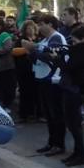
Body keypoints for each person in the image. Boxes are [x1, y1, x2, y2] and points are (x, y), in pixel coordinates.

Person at [24, 15, 67, 156]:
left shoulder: (56, 38)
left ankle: (59, 144)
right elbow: (35, 56)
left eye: (42, 24)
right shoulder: (43, 40)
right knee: (49, 113)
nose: (39, 27)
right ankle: (51, 142)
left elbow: (51, 56)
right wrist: (31, 51)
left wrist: (34, 50)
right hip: (42, 78)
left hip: (53, 79)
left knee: (55, 113)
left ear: (50, 24)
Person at [56, 25, 84, 167]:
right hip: (72, 88)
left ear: (83, 39)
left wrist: (58, 60)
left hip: (75, 90)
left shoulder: (83, 53)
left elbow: (70, 68)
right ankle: (77, 152)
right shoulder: (79, 51)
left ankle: (80, 154)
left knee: (74, 124)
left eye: (75, 40)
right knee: (71, 123)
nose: (73, 43)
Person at [14, 19, 40, 122]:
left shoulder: (38, 39)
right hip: (24, 69)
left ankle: (37, 114)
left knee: (36, 92)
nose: (30, 30)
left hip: (36, 69)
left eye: (32, 28)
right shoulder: (20, 40)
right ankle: (24, 115)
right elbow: (14, 52)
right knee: (24, 91)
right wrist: (27, 50)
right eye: (28, 28)